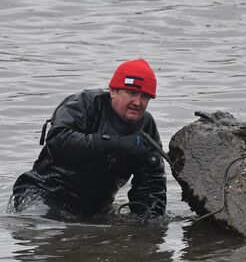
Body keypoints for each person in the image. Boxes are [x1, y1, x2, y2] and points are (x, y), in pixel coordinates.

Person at [11, 59, 167, 220]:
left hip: (94, 210)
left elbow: (151, 185)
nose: (137, 102)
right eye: (132, 93)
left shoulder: (146, 128)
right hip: (42, 193)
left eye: (145, 97)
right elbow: (58, 141)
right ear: (112, 91)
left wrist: (151, 219)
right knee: (44, 228)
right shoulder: (86, 104)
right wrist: (116, 143)